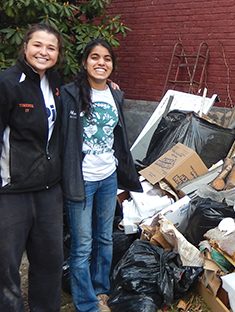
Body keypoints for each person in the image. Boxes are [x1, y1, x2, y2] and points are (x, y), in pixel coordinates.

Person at [0, 23, 65, 311]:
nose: (43, 52)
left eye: (51, 48)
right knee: (7, 273)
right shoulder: (3, 85)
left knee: (49, 268)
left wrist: (107, 87)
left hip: (49, 193)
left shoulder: (57, 84)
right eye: (38, 45)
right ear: (25, 47)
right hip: (11, 195)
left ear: (58, 54)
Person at [60, 38, 141, 312]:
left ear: (112, 66)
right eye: (95, 57)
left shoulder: (115, 95)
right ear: (84, 63)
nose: (101, 63)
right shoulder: (69, 94)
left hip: (108, 177)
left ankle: (101, 291)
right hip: (80, 179)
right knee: (82, 245)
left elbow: (117, 136)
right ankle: (86, 303)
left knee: (104, 238)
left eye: (106, 58)